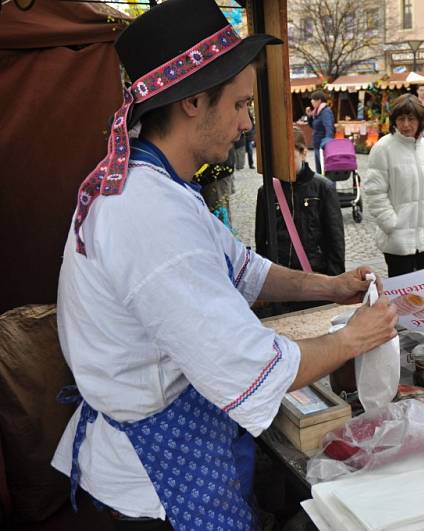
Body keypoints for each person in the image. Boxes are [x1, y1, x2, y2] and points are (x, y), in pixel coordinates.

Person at [52, 2, 397, 529]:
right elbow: (249, 364)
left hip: (171, 439)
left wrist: (332, 286)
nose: (246, 123)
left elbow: (243, 269)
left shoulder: (159, 182)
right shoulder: (150, 216)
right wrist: (355, 338)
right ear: (193, 102)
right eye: (239, 104)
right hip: (151, 483)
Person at [255, 127, 345, 292]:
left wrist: (336, 284)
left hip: (315, 277)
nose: (283, 164)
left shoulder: (323, 188)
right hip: (280, 279)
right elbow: (261, 241)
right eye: (279, 158)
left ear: (303, 153)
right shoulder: (266, 192)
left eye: (290, 157)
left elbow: (335, 241)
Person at [364, 94, 424, 277]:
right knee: (402, 299)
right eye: (401, 119)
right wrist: (391, 224)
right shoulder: (383, 148)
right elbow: (375, 193)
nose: (406, 124)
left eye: (411, 118)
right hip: (398, 241)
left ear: (420, 120)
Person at [306, 90, 334, 173]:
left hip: (323, 147)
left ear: (319, 100)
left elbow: (329, 128)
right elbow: (312, 126)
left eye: (313, 99)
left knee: (325, 170)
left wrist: (326, 143)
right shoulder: (317, 112)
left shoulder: (325, 111)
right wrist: (309, 116)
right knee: (319, 170)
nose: (311, 101)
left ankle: (328, 186)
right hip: (317, 145)